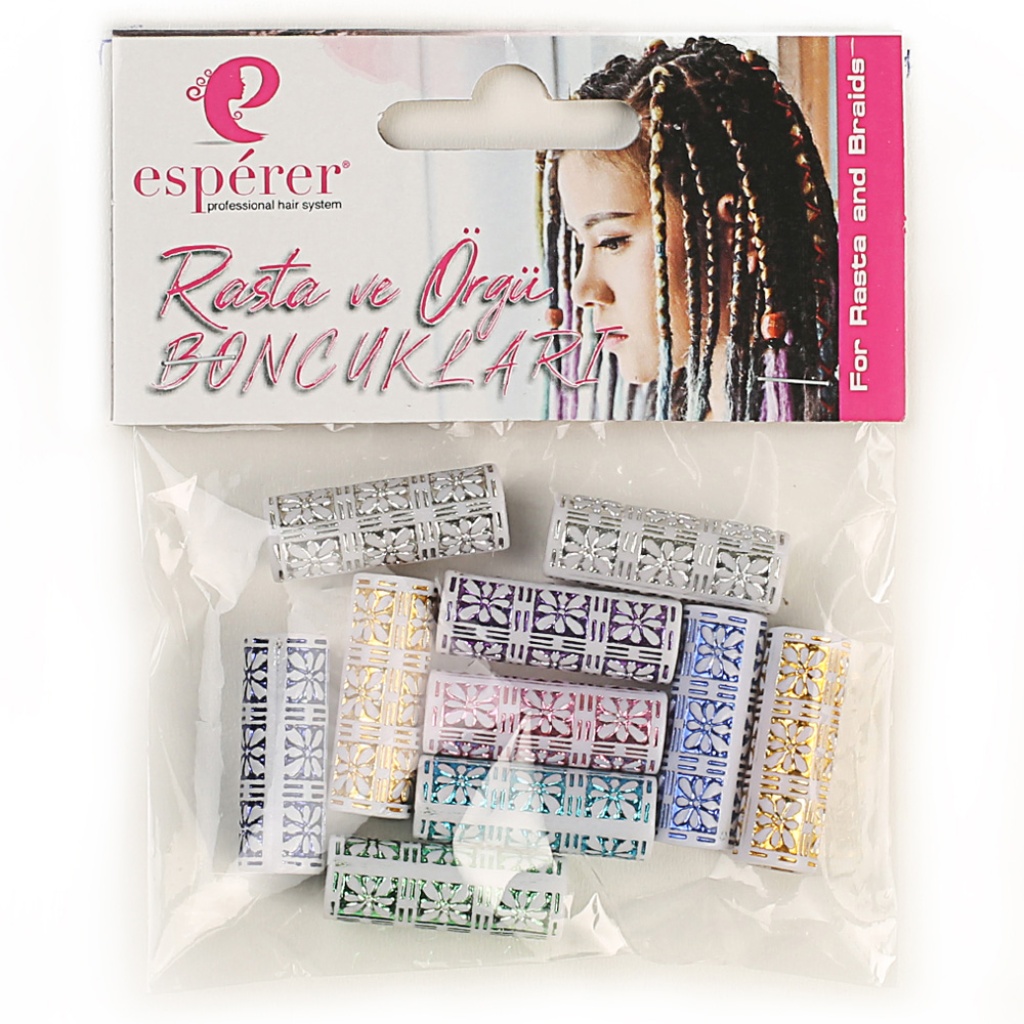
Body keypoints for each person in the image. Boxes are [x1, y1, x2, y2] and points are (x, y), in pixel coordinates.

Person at [540, 37, 838, 421]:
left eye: (612, 241)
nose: (583, 291)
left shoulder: (848, 427)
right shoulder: (672, 428)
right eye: (579, 244)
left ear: (741, 226)